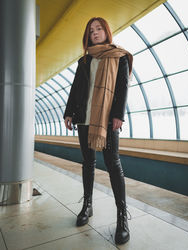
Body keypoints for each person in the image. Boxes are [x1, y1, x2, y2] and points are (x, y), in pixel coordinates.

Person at [64, 17, 133, 245]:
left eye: (99, 28)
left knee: (113, 164)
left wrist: (118, 116)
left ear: (106, 31)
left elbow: (122, 87)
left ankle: (122, 217)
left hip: (106, 120)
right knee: (88, 162)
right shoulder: (84, 60)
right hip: (84, 119)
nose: (94, 32)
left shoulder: (119, 56)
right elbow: (75, 88)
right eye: (91, 30)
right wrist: (68, 112)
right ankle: (88, 205)